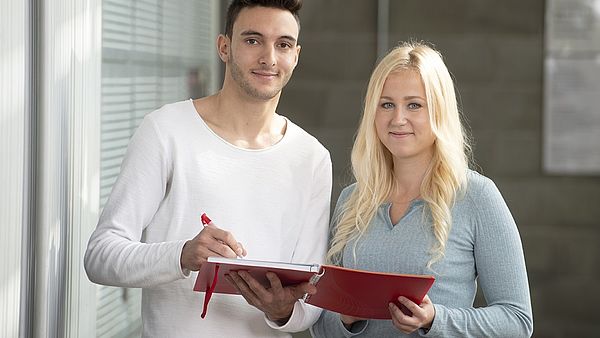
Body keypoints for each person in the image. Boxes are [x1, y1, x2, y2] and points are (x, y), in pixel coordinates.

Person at [84, 0, 332, 337]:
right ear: (224, 47)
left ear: (296, 56)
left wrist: (283, 309)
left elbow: (309, 305)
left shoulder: (312, 158)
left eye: (283, 45)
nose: (269, 58)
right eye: (252, 40)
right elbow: (100, 256)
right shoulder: (165, 130)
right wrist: (183, 255)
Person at [310, 42, 533, 337]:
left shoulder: (477, 196)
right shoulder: (352, 200)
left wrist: (434, 320)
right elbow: (320, 328)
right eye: (386, 104)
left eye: (414, 105)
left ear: (439, 111)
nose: (398, 118)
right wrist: (346, 320)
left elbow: (517, 321)